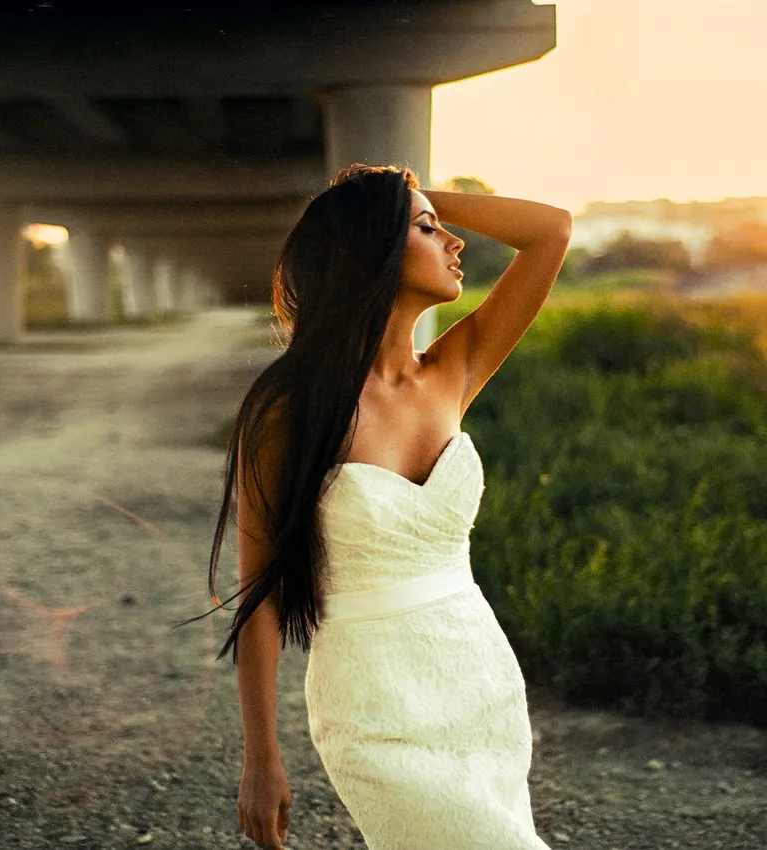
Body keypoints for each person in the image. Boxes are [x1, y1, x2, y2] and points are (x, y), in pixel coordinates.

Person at [199, 163, 572, 849]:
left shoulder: (454, 370)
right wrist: (261, 760)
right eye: (430, 230)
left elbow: (550, 231)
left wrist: (414, 194)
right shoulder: (290, 408)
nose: (456, 243)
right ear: (371, 249)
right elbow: (259, 594)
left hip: (479, 679)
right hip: (373, 703)